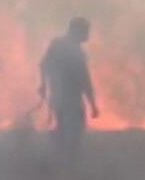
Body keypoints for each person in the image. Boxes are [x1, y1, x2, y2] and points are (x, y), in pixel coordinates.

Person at [38, 17, 100, 160]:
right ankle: (67, 163)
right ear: (77, 31)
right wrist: (93, 105)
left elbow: (43, 65)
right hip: (71, 99)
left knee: (62, 129)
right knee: (73, 134)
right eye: (85, 31)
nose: (88, 34)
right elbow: (85, 80)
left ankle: (58, 159)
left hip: (57, 97)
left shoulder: (57, 45)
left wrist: (43, 85)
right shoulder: (76, 52)